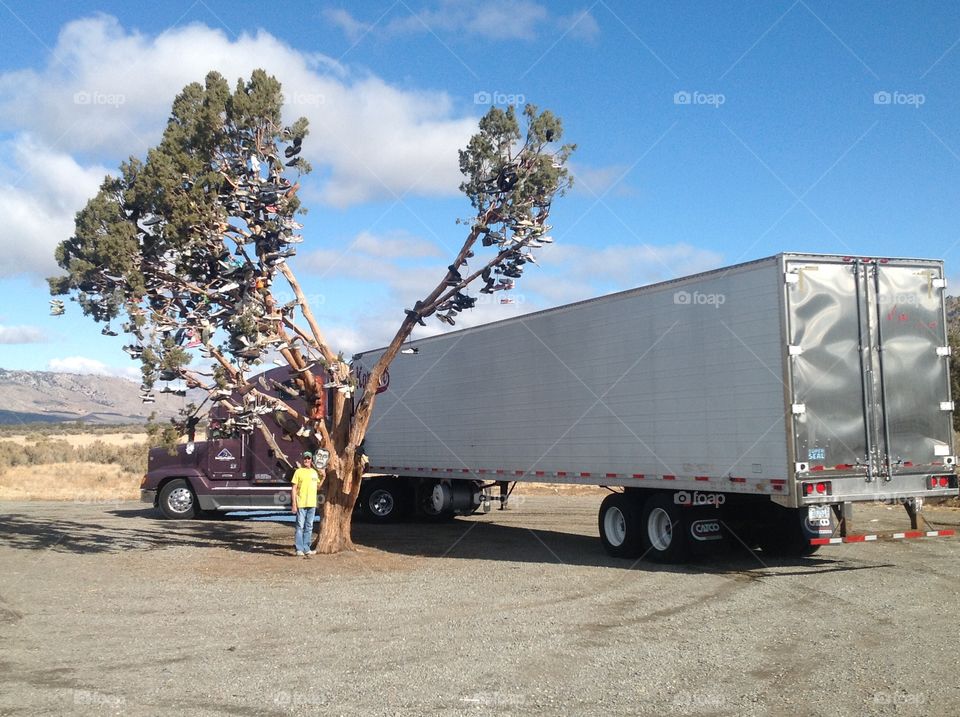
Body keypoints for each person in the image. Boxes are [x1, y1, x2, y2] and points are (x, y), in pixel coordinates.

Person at [291, 451, 322, 558]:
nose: (307, 460)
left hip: (312, 504)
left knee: (309, 526)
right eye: (305, 458)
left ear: (311, 460)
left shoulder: (314, 472)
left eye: (309, 458)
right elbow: (294, 488)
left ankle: (307, 548)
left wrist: (324, 477)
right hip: (301, 503)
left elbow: (318, 487)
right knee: (300, 526)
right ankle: (299, 549)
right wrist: (294, 504)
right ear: (302, 459)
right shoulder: (298, 472)